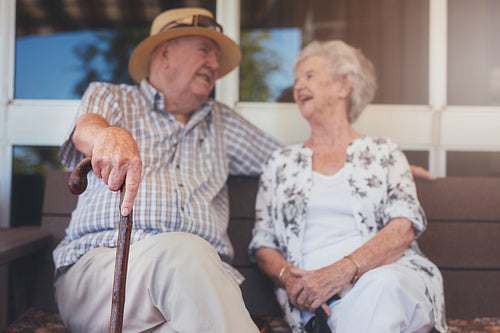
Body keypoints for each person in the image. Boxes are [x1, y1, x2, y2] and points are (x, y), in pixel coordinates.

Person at [53, 7, 282, 332]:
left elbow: (287, 164)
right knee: (184, 254)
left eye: (216, 57)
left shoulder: (223, 122)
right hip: (104, 275)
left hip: (202, 289)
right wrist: (109, 135)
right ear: (165, 53)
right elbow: (86, 129)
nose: (215, 66)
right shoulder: (115, 97)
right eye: (205, 50)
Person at [249, 40, 447, 333]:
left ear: (344, 86)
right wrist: (290, 278)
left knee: (381, 286)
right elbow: (263, 243)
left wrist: (342, 271)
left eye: (310, 75)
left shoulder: (384, 152)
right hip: (321, 306)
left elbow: (404, 227)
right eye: (296, 80)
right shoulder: (280, 163)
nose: (298, 86)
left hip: (394, 284)